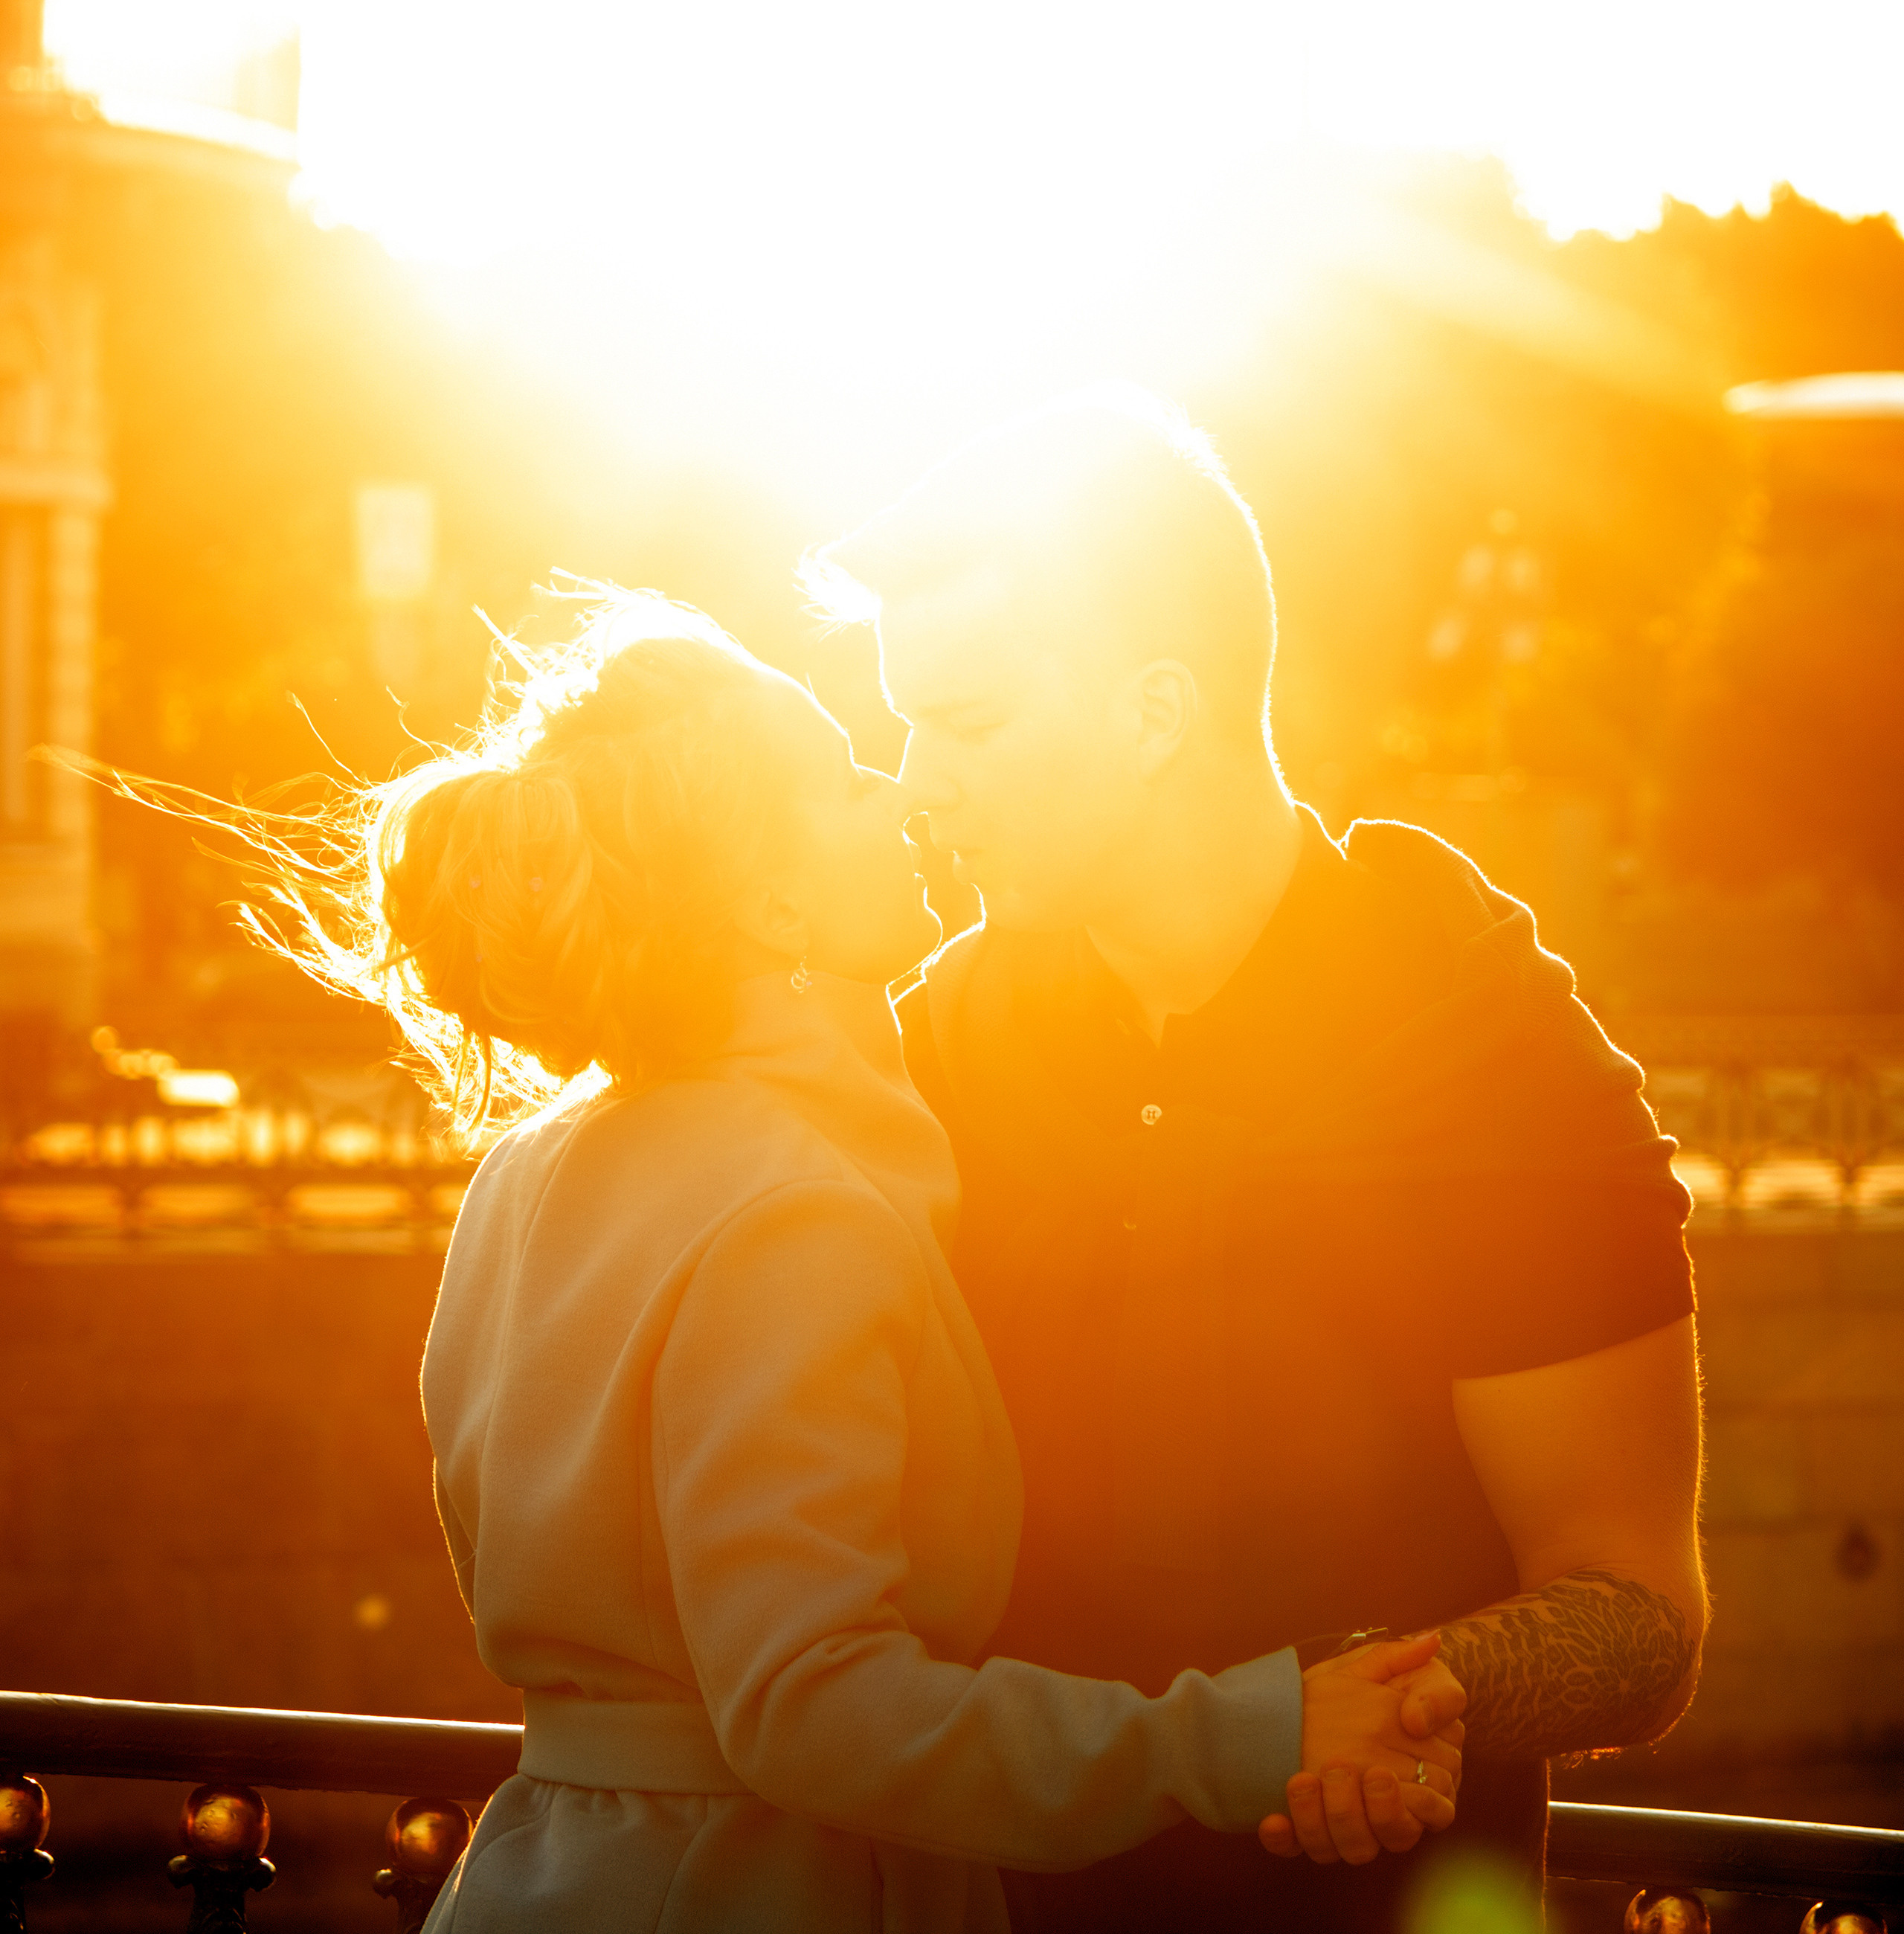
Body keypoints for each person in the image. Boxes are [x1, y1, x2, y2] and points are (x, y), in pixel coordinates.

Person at [172, 590, 1462, 1933]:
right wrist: (1245, 1734)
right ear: (777, 905)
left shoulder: (531, 1166)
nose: (902, 798)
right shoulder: (798, 1213)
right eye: (848, 779)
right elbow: (813, 1704)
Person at [804, 388, 1709, 1932]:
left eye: (963, 721)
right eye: (903, 727)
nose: (919, 785)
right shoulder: (938, 1031)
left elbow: (1637, 1613)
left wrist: (1391, 1702)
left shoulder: (1473, 1032)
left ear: (1155, 712)